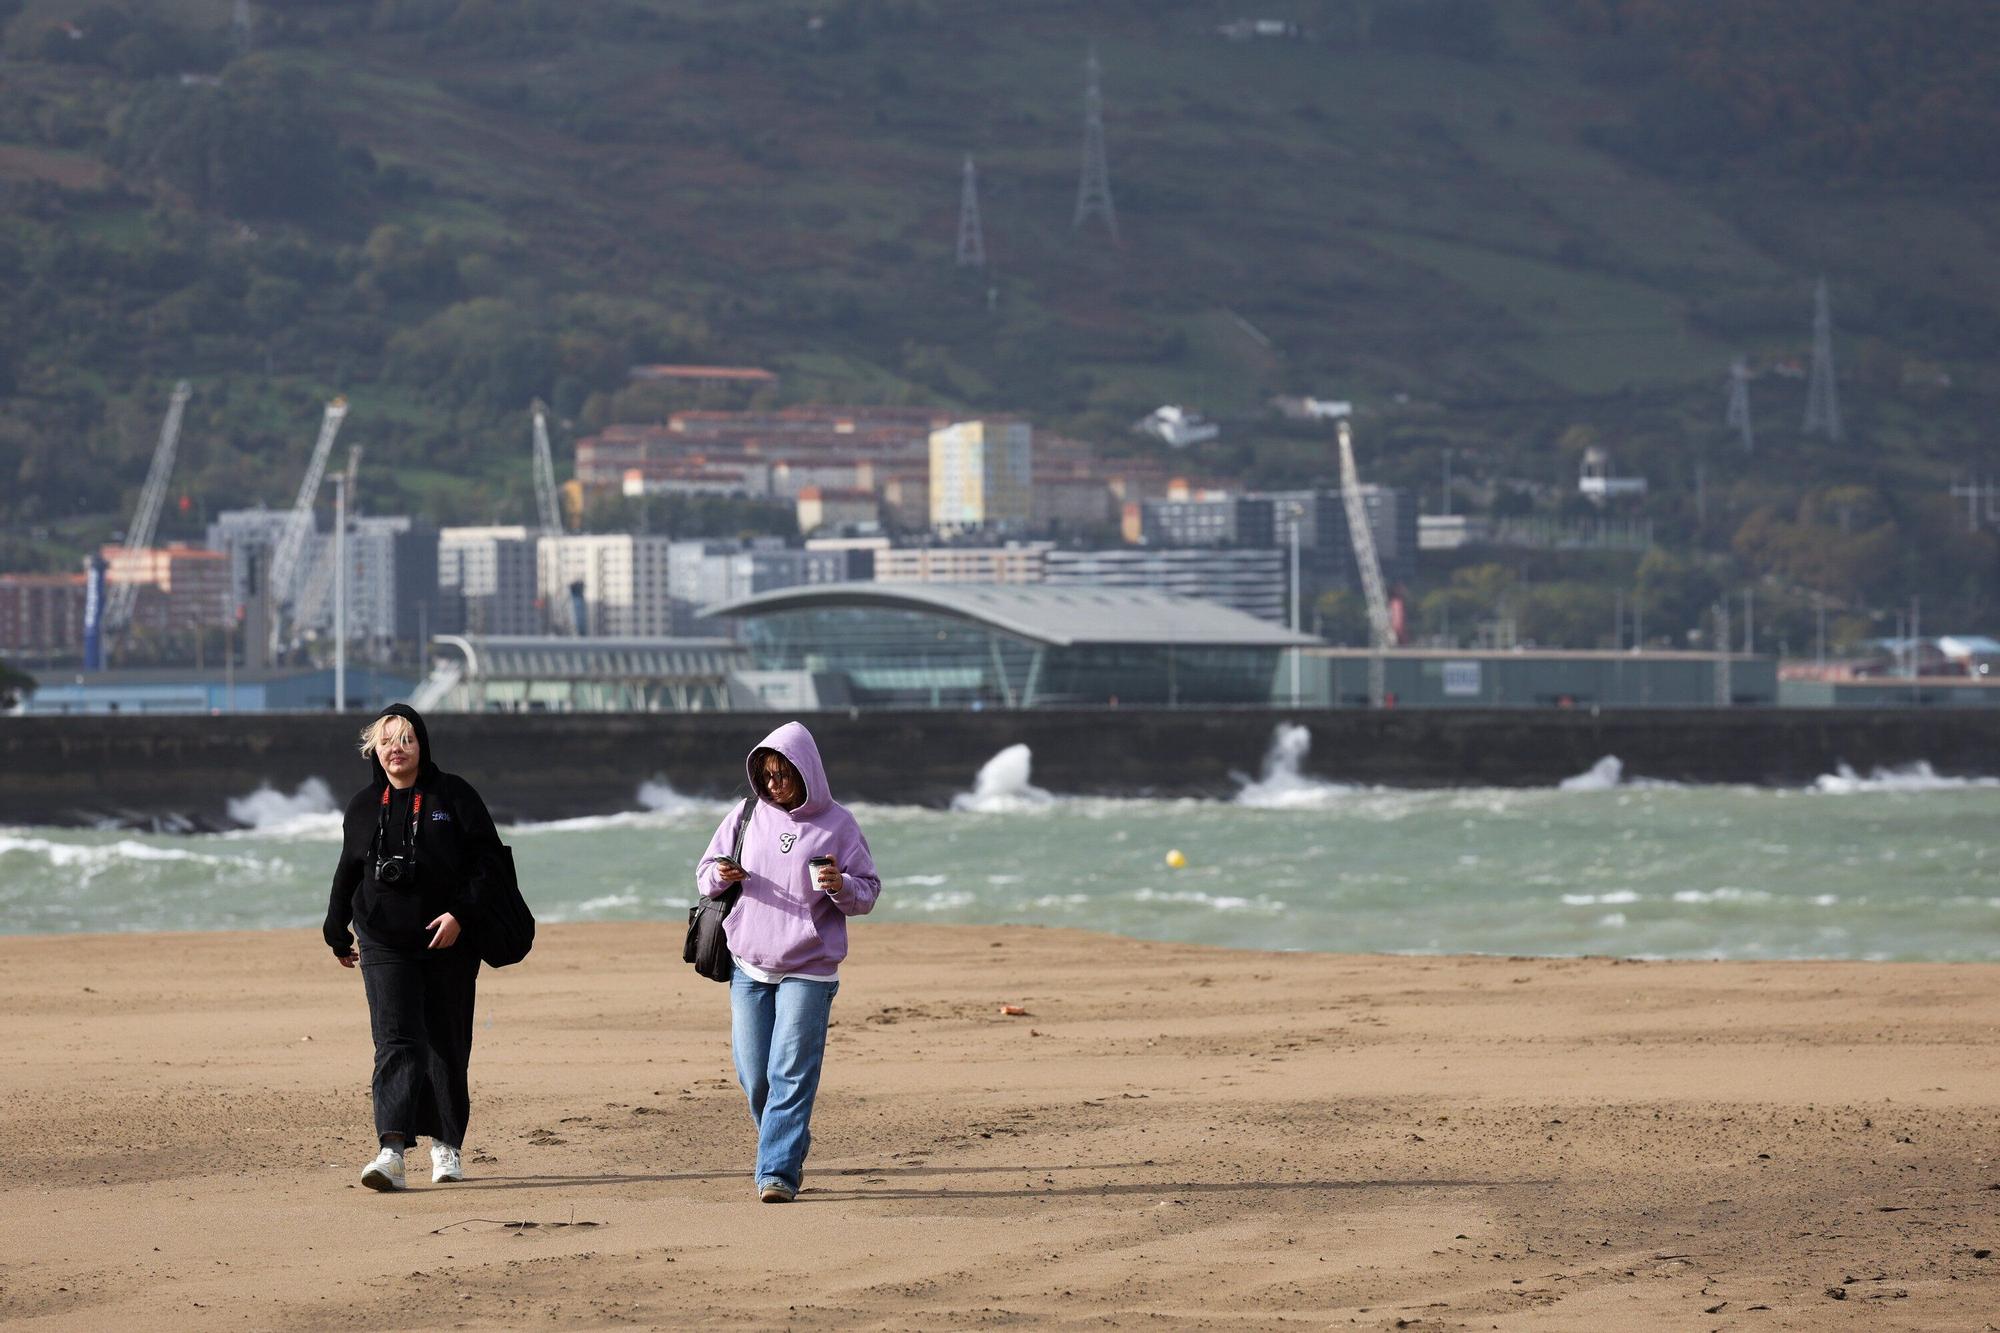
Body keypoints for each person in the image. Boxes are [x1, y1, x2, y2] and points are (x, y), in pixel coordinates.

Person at [696, 721, 880, 1203]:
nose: (774, 783)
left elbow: (868, 892)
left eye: (783, 774)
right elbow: (704, 874)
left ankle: (777, 1171)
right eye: (767, 774)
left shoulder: (839, 824)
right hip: (748, 965)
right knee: (755, 1075)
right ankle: (789, 1139)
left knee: (790, 1073)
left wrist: (841, 886)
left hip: (809, 969)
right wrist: (721, 874)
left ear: (806, 771)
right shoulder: (746, 814)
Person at [323, 703, 503, 1192]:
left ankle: (446, 1145)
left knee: (447, 1043)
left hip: (448, 939)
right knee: (395, 1041)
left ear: (422, 745)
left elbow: (489, 864)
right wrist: (335, 929)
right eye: (386, 742)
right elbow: (348, 869)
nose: (395, 749)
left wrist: (461, 915)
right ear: (374, 750)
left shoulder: (453, 795)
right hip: (383, 939)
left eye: (405, 739)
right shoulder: (364, 805)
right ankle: (391, 1151)